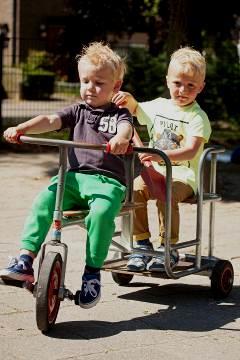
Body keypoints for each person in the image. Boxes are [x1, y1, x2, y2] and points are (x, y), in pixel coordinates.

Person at [0, 42, 133, 309]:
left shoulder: (120, 113)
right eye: (85, 81)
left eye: (98, 82)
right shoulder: (77, 111)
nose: (89, 88)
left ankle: (92, 272)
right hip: (72, 179)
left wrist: (120, 139)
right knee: (43, 201)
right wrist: (22, 127)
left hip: (107, 182)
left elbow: (125, 130)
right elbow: (50, 120)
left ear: (115, 87)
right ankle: (26, 258)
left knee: (102, 213)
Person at [113, 46, 211, 272]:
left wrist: (160, 155)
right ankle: (141, 244)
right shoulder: (158, 106)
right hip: (153, 172)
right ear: (168, 81)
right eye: (177, 83)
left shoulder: (197, 117)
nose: (182, 90)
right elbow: (135, 108)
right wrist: (127, 99)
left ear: (201, 87)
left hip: (183, 178)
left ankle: (169, 246)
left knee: (165, 194)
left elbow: (190, 151)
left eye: (191, 86)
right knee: (134, 189)